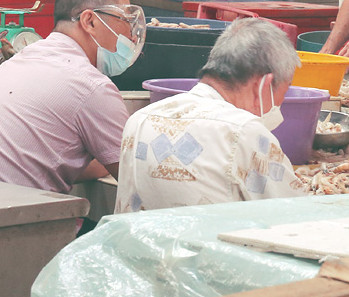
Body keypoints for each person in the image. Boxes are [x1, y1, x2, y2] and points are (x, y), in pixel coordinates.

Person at [0, 0, 143, 194]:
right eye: (125, 22)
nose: (132, 36)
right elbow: (139, 180)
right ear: (89, 21)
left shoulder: (22, 60)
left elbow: (42, 162)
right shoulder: (91, 86)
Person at [115, 18, 305, 212]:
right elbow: (294, 214)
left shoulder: (139, 120)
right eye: (284, 93)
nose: (279, 105)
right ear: (264, 85)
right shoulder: (246, 133)